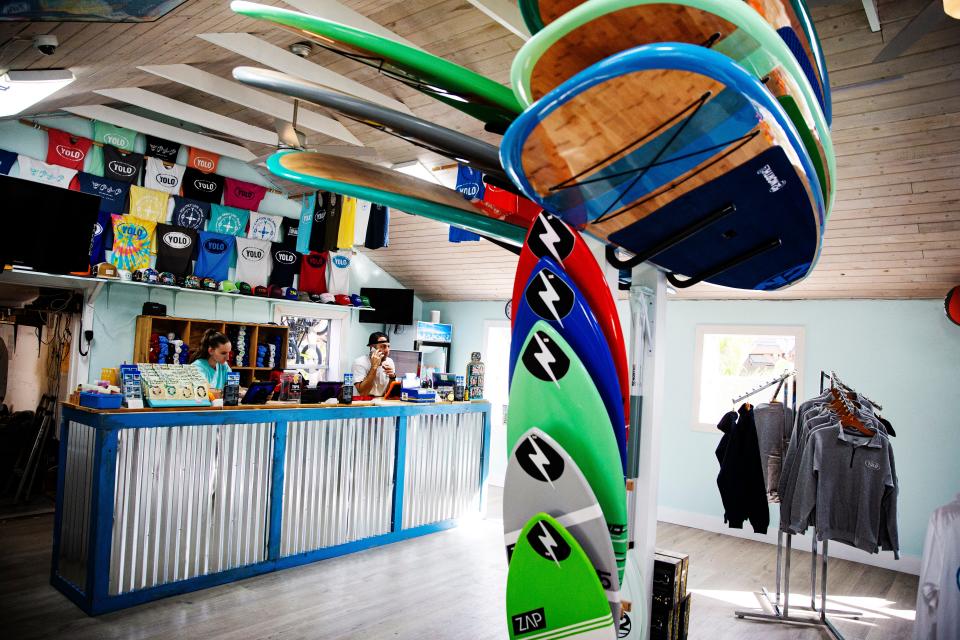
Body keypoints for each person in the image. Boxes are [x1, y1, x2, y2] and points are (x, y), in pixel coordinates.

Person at [352, 331, 395, 396]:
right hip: (363, 402)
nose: (387, 350)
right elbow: (363, 393)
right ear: (372, 349)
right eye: (383, 346)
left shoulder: (389, 362)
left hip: (381, 402)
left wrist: (392, 377)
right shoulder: (359, 363)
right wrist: (374, 367)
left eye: (388, 346)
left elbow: (388, 393)